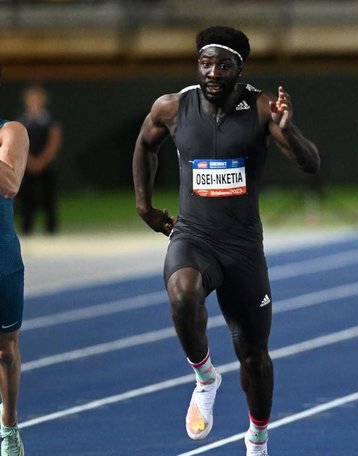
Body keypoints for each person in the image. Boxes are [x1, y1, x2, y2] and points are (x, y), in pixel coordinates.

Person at [132, 26, 320, 456]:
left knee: (254, 356)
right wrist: (145, 206)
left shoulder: (261, 108)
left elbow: (311, 163)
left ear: (240, 68)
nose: (212, 72)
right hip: (193, 237)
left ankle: (257, 438)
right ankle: (204, 377)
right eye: (205, 63)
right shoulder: (172, 106)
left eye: (223, 64)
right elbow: (145, 146)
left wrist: (288, 131)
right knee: (182, 296)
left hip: (242, 249)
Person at [0, 64, 30, 456]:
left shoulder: (12, 132)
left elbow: (9, 184)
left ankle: (8, 428)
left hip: (1, 256)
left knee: (5, 348)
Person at [16, 84, 62, 235]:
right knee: (26, 197)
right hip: (27, 164)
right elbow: (17, 141)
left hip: (47, 164)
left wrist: (42, 160)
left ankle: (51, 227)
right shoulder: (23, 119)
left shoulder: (49, 118)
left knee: (49, 196)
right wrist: (28, 160)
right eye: (31, 98)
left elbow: (54, 139)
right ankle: (26, 227)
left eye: (37, 98)